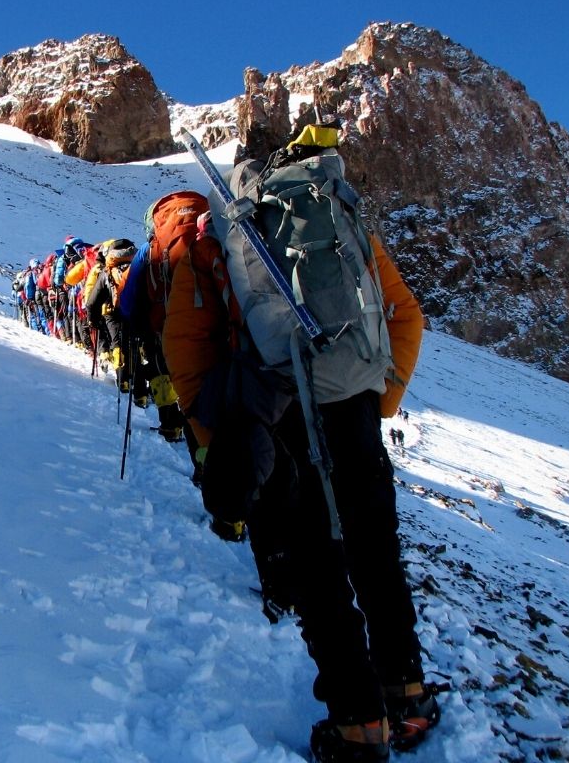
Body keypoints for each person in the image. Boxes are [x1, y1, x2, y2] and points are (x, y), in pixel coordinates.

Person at [157, 128, 436, 762]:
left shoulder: (213, 238)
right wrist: (372, 400)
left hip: (280, 416)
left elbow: (188, 351)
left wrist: (219, 439)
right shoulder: (342, 222)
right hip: (356, 408)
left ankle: (359, 723)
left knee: (316, 572)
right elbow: (405, 316)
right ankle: (408, 696)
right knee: (377, 555)